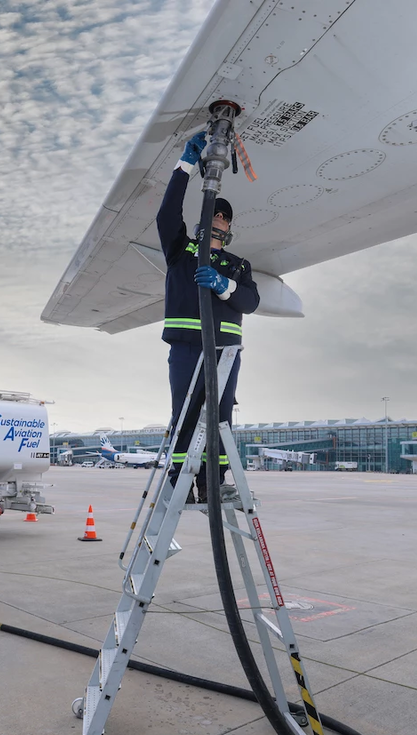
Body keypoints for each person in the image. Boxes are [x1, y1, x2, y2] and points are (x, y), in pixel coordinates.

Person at [157, 130, 260, 504]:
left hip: (225, 355)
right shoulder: (181, 252)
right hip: (186, 350)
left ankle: (213, 483)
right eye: (214, 216)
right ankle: (179, 483)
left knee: (220, 421)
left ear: (229, 228)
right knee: (183, 416)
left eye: (224, 220)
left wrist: (222, 285)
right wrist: (185, 166)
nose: (219, 221)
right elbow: (167, 214)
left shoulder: (238, 266)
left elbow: (250, 302)